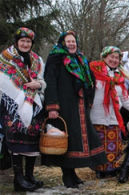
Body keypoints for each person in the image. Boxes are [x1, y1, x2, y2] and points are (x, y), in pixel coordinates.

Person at [44, 31, 107, 188]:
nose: (72, 44)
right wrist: (52, 106)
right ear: (63, 43)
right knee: (66, 140)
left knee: (76, 140)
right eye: (68, 41)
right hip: (64, 105)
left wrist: (89, 97)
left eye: (73, 41)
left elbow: (89, 79)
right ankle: (67, 175)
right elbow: (50, 82)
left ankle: (72, 173)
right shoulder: (55, 59)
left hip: (79, 105)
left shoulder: (81, 59)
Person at [89, 46, 129, 179]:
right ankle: (99, 170)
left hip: (114, 118)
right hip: (97, 117)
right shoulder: (94, 73)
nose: (114, 60)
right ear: (104, 57)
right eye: (112, 57)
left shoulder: (119, 77)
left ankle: (112, 170)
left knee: (114, 146)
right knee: (99, 146)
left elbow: (125, 99)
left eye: (117, 58)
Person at [0, 27, 46, 192]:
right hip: (12, 105)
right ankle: (18, 179)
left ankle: (29, 176)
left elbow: (43, 80)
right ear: (17, 42)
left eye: (28, 41)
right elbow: (3, 81)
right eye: (22, 41)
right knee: (15, 139)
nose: (25, 44)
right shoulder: (5, 58)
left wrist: (38, 84)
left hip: (33, 105)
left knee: (32, 140)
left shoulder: (37, 59)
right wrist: (18, 93)